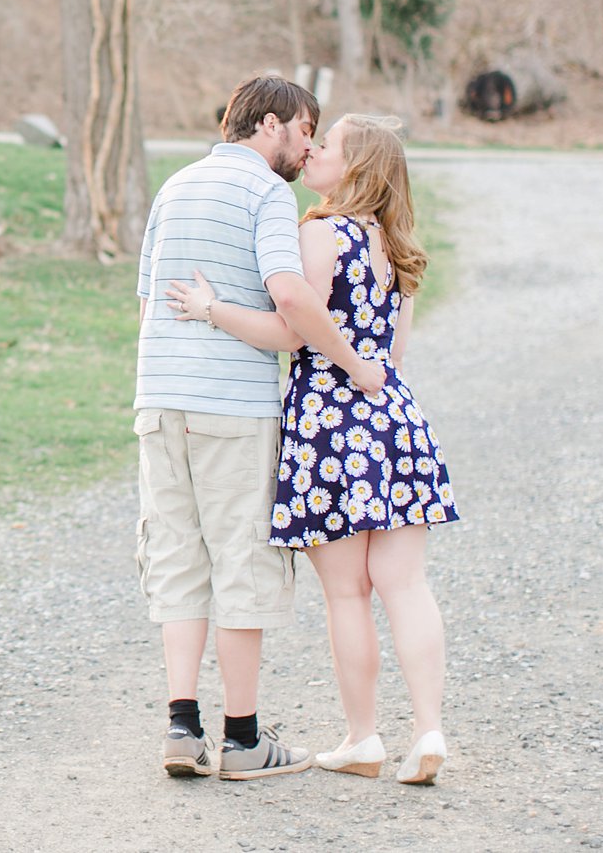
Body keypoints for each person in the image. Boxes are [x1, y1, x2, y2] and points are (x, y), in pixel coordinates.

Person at [165, 113, 460, 786]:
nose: (314, 151)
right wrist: (366, 367)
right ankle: (430, 727)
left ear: (352, 169)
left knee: (348, 596)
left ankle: (363, 737)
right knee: (407, 584)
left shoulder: (320, 233)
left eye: (328, 146)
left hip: (331, 427)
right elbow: (396, 354)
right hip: (395, 421)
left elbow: (295, 328)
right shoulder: (398, 245)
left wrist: (212, 309)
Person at [132, 76, 388, 781]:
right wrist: (354, 361)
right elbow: (290, 295)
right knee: (242, 560)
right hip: (233, 408)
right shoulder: (267, 194)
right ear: (270, 124)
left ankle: (182, 725)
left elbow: (149, 305)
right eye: (306, 129)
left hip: (158, 401)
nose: (308, 146)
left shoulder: (173, 186)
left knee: (179, 557)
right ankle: (242, 738)